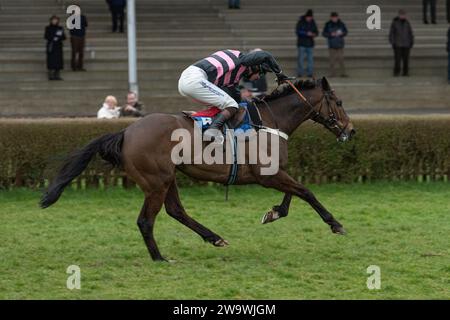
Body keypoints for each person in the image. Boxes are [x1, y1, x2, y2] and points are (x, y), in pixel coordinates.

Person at [178, 49, 287, 143]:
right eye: (261, 73)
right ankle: (212, 131)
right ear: (254, 67)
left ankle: (198, 116)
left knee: (227, 105)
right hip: (194, 78)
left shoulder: (233, 77)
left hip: (188, 80)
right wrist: (279, 73)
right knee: (231, 105)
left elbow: (237, 99)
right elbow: (265, 55)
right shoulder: (242, 60)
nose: (258, 77)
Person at [322, 12, 348, 77]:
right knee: (332, 61)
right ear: (331, 18)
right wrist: (331, 34)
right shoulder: (328, 24)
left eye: (335, 17)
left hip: (340, 44)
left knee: (341, 60)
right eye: (333, 17)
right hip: (332, 45)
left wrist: (341, 33)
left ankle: (343, 73)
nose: (334, 19)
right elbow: (324, 33)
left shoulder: (341, 24)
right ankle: (332, 73)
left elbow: (345, 32)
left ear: (338, 17)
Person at [389, 10, 414, 77]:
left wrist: (411, 42)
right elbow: (391, 33)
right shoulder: (395, 23)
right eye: (402, 15)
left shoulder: (407, 23)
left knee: (406, 60)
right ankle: (396, 72)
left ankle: (405, 72)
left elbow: (410, 33)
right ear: (399, 15)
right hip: (398, 44)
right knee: (397, 60)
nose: (403, 16)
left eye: (404, 15)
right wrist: (392, 42)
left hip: (406, 44)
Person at [296, 9, 318, 77]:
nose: (310, 18)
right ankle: (300, 72)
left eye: (311, 17)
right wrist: (306, 33)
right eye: (309, 17)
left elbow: (316, 32)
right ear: (306, 17)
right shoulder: (300, 22)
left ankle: (310, 73)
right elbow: (298, 31)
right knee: (301, 59)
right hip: (302, 43)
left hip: (310, 44)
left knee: (310, 60)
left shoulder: (313, 23)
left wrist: (314, 34)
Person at [44, 15, 66, 80]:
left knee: (58, 61)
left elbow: (64, 37)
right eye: (53, 20)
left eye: (56, 20)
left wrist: (59, 37)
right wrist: (53, 38)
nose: (55, 21)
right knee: (51, 60)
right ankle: (50, 75)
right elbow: (46, 36)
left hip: (58, 46)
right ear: (51, 21)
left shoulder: (60, 28)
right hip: (51, 46)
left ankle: (57, 75)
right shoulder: (48, 28)